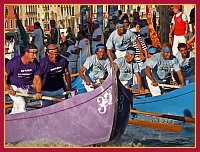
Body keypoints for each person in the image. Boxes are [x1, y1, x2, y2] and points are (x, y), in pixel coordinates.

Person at [5, 44, 42, 114]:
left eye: (35, 54)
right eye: (33, 54)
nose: (35, 56)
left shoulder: (35, 63)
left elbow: (37, 79)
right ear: (26, 53)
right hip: (13, 87)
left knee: (18, 108)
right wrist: (8, 89)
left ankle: (11, 120)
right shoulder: (14, 62)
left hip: (26, 88)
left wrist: (38, 92)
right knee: (22, 105)